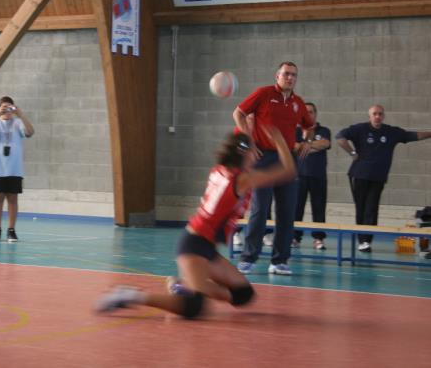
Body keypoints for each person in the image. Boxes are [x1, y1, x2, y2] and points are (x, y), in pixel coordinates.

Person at [94, 127, 296, 319]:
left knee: (243, 294)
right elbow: (288, 171)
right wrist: (279, 141)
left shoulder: (221, 169)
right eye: (253, 150)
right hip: (194, 245)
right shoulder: (242, 179)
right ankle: (131, 295)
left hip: (206, 247)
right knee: (193, 306)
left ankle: (183, 284)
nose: (257, 154)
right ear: (244, 153)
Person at [233, 62, 314, 275]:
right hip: (263, 158)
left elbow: (310, 126)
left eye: (293, 75)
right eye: (286, 74)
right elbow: (238, 113)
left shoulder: (298, 103)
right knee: (260, 209)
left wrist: (307, 141)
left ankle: (280, 261)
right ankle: (248, 257)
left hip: (287, 159)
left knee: (287, 212)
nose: (290, 78)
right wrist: (249, 142)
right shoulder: (263, 94)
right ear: (277, 75)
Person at [336, 104, 431, 252]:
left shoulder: (391, 132)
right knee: (361, 209)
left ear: (383, 116)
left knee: (372, 208)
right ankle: (362, 240)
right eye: (374, 114)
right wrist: (352, 153)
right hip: (359, 175)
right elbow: (340, 137)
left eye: (380, 114)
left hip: (378, 177)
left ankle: (367, 241)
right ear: (370, 116)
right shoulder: (359, 129)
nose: (377, 116)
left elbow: (413, 135)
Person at [0, 96, 34, 243]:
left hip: (14, 169)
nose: (7, 110)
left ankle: (11, 230)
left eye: (10, 107)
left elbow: (30, 132)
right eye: (4, 107)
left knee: (13, 198)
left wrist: (21, 115)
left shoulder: (18, 123)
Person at [293, 103, 331, 250]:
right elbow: (294, 147)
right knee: (296, 209)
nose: (308, 114)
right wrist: (314, 146)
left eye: (311, 112)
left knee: (319, 208)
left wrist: (304, 146)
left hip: (318, 176)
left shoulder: (324, 130)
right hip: (299, 176)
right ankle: (295, 237)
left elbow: (325, 143)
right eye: (305, 112)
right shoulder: (295, 131)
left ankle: (318, 239)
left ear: (315, 114)